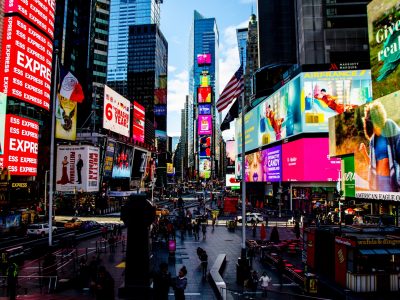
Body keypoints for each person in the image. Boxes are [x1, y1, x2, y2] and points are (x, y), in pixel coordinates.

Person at [359, 101, 400, 192]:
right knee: (381, 206)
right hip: (377, 181)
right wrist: (364, 153)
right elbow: (371, 164)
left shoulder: (390, 126)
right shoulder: (373, 140)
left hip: (391, 180)